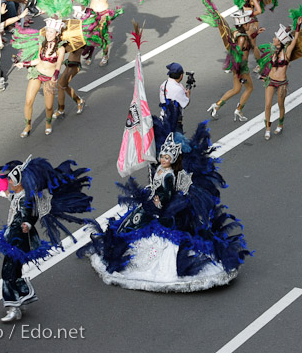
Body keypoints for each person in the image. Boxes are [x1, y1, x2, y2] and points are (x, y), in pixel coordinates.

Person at [78, 106, 249, 292]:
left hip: (163, 209)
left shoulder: (169, 175)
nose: (164, 159)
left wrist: (158, 201)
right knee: (128, 223)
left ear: (173, 158)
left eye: (167, 157)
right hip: (152, 203)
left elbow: (167, 193)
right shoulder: (160, 169)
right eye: (162, 156)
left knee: (138, 223)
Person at [0, 156, 93, 322]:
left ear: (19, 183)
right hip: (14, 239)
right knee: (14, 271)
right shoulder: (21, 196)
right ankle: (22, 298)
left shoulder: (27, 200)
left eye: (12, 181)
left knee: (8, 272)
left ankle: (14, 307)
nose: (10, 184)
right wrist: (3, 193)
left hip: (17, 241)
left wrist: (26, 224)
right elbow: (15, 200)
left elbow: (28, 214)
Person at [201, 0, 260, 122]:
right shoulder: (242, 38)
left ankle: (216, 105)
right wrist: (240, 71)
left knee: (236, 89)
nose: (249, 25)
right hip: (241, 67)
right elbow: (239, 51)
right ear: (243, 24)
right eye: (247, 23)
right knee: (249, 88)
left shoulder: (235, 31)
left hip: (236, 67)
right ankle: (238, 110)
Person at [13, 16, 67, 137]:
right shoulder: (42, 43)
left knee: (48, 107)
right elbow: (38, 60)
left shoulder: (61, 48)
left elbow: (58, 65)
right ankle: (28, 126)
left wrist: (55, 76)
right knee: (28, 101)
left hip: (50, 78)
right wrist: (24, 64)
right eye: (47, 31)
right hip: (37, 74)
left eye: (51, 32)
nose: (48, 34)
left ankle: (48, 124)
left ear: (57, 33)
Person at [260, 12, 302, 140]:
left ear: (281, 41)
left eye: (275, 38)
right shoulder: (272, 51)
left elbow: (294, 40)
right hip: (271, 81)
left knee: (280, 105)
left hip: (282, 83)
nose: (273, 39)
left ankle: (280, 124)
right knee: (267, 105)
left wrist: (298, 27)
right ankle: (267, 128)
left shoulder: (287, 52)